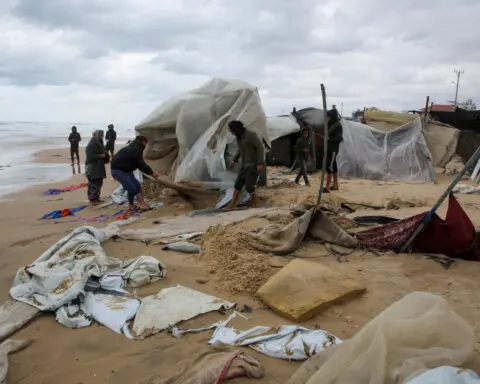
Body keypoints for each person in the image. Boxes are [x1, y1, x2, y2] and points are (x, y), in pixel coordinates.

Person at [111, 135, 159, 211]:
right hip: (118, 170)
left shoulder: (133, 147)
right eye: (146, 144)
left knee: (137, 186)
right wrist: (152, 173)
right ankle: (131, 205)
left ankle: (142, 204)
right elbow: (141, 165)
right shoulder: (135, 150)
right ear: (143, 142)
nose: (146, 146)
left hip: (126, 170)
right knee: (132, 188)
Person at [227, 120, 264, 209]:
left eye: (233, 131)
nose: (232, 133)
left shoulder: (250, 135)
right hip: (244, 165)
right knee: (237, 185)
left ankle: (255, 204)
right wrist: (235, 160)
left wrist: (259, 162)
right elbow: (240, 149)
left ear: (237, 129)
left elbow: (260, 148)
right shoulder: (238, 137)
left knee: (249, 186)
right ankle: (232, 205)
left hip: (253, 165)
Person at [85, 130, 109, 203]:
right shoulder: (91, 144)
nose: (102, 137)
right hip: (92, 167)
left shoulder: (100, 143)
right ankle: (93, 198)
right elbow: (89, 156)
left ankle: (96, 197)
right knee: (94, 182)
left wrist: (106, 156)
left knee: (99, 182)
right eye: (100, 135)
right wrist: (100, 156)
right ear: (96, 135)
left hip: (98, 167)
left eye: (102, 135)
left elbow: (104, 151)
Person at [324, 109, 343, 193]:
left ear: (331, 117)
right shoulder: (330, 124)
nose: (326, 118)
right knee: (333, 166)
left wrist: (329, 138)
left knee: (329, 166)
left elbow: (339, 138)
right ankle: (335, 185)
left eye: (328, 116)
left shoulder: (337, 125)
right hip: (329, 148)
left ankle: (327, 187)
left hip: (333, 149)